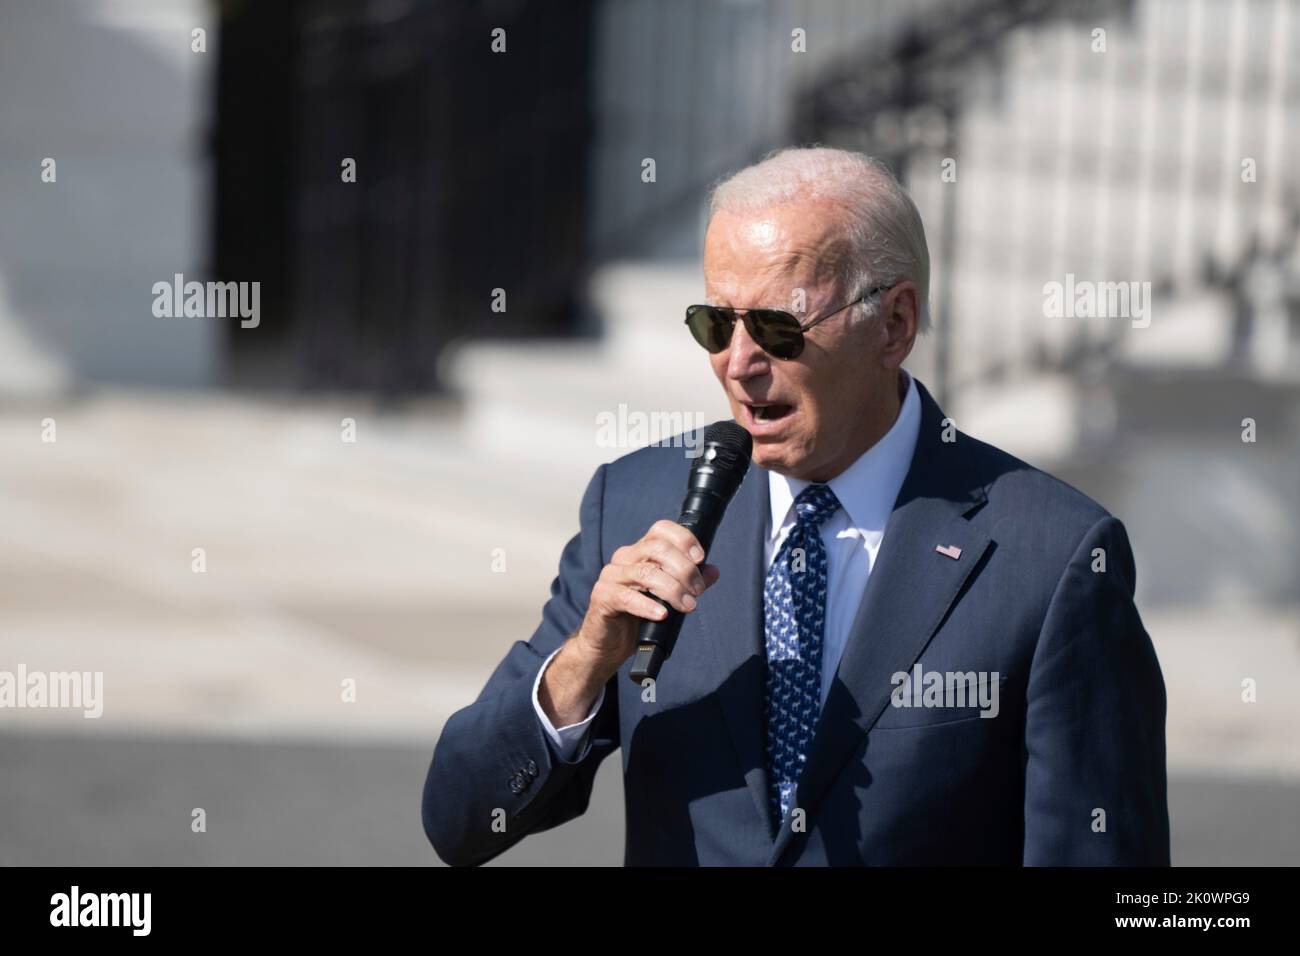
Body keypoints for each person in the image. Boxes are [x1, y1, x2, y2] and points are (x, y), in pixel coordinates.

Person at [422, 147, 1170, 866]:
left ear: (895, 325)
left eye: (778, 328)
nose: (738, 363)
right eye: (714, 324)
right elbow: (459, 819)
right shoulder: (638, 505)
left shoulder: (1050, 556)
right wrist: (584, 663)